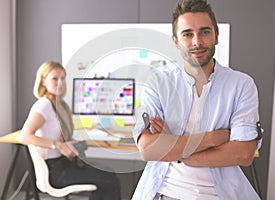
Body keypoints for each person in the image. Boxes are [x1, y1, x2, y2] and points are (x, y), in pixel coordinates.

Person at [132, 0, 262, 199]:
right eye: (187, 34)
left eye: (205, 32)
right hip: (164, 192)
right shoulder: (158, 83)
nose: (197, 42)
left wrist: (175, 149)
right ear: (176, 40)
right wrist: (212, 138)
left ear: (216, 36)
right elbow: (149, 150)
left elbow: (243, 154)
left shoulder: (241, 85)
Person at [20, 61, 121, 200]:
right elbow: (25, 137)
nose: (60, 83)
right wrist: (57, 145)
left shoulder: (60, 105)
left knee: (108, 175)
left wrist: (71, 143)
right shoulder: (43, 105)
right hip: (56, 171)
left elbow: (61, 136)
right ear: (43, 81)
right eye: (54, 79)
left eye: (62, 78)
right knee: (109, 179)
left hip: (64, 163)